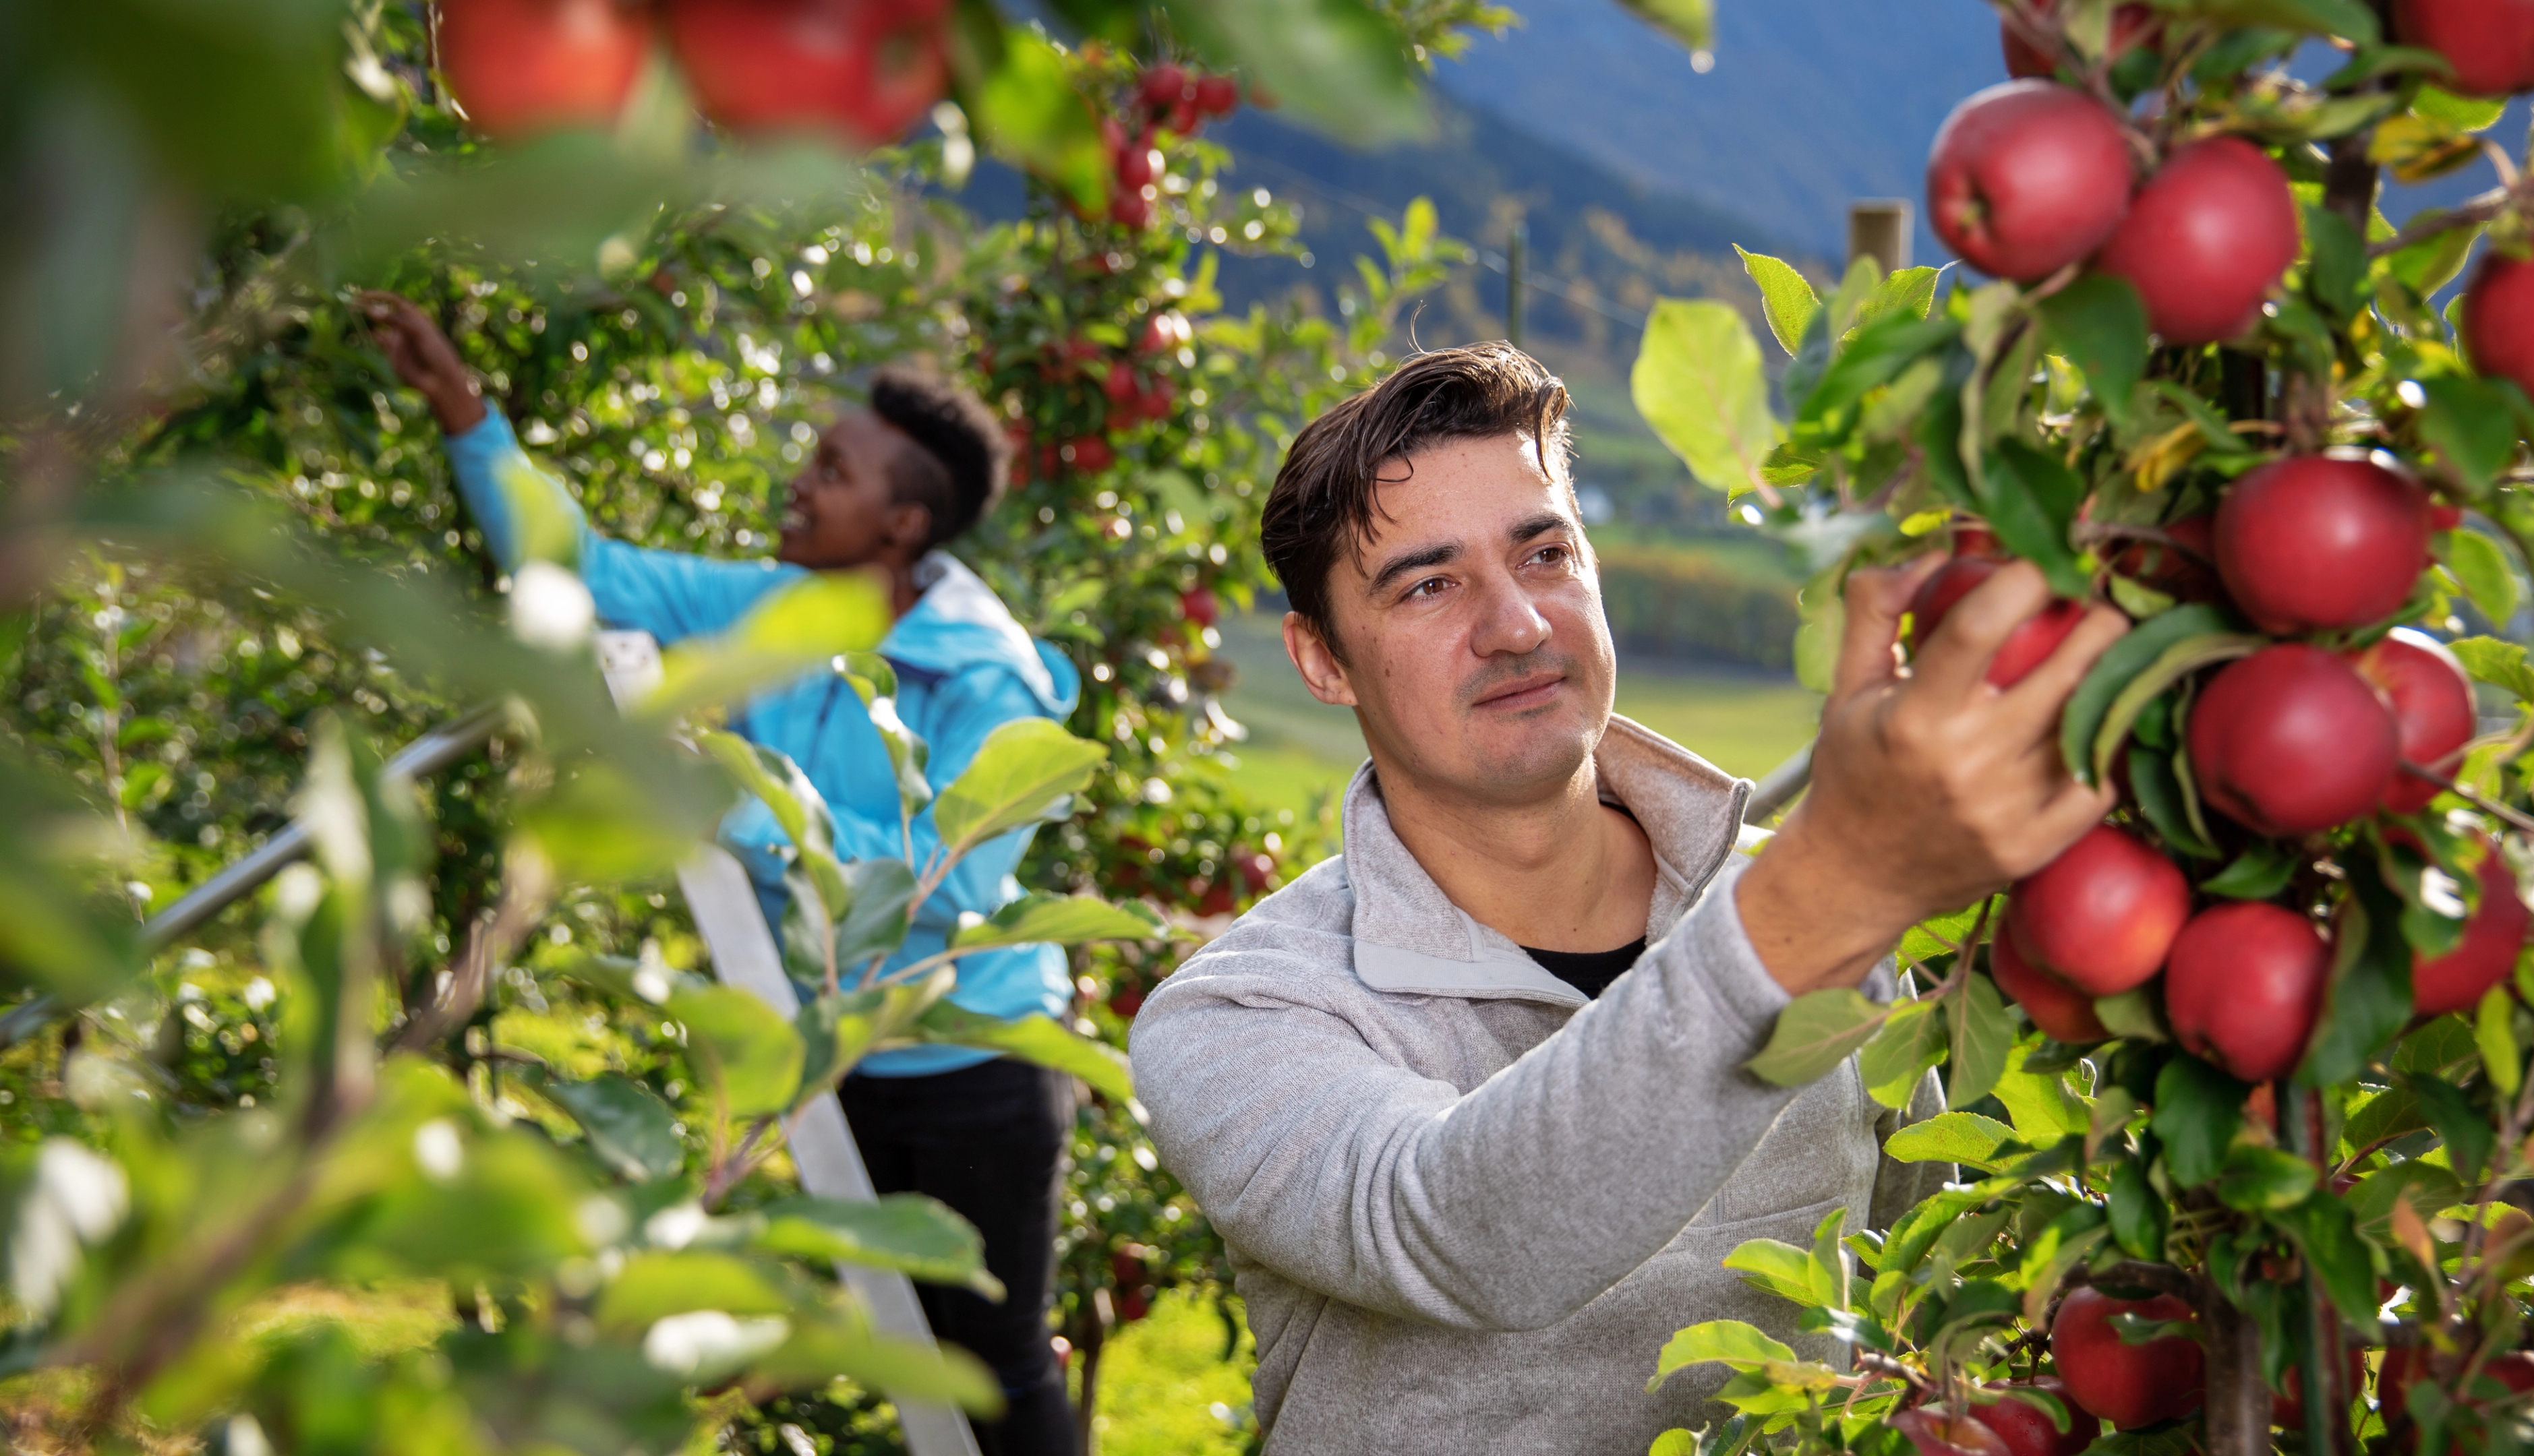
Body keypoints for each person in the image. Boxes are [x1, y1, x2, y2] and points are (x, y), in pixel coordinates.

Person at [1127, 343, 2129, 1453]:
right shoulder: (1241, 1015)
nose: (1516, 624)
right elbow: (1461, 1231)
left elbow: (1916, 1280)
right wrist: (1831, 885)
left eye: (1545, 551)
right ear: (1321, 661)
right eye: (1428, 584)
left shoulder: (1799, 917)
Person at [360, 293, 1082, 1456]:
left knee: (992, 1355)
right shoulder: (779, 604)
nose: (800, 482)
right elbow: (582, 569)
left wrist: (740, 803)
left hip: (974, 1065)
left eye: (832, 470)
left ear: (900, 524)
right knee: (900, 1341)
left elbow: (951, 875)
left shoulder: (985, 678)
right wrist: (465, 413)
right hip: (839, 1043)